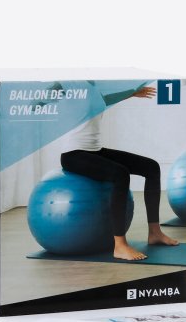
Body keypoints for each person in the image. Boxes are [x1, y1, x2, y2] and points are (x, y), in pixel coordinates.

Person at [60, 84, 178, 261]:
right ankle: (120, 246)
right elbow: (54, 89)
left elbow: (106, 100)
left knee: (151, 167)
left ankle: (155, 232)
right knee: (120, 174)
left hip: (95, 151)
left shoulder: (93, 88)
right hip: (73, 155)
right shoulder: (72, 84)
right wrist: (39, 101)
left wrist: (132, 93)